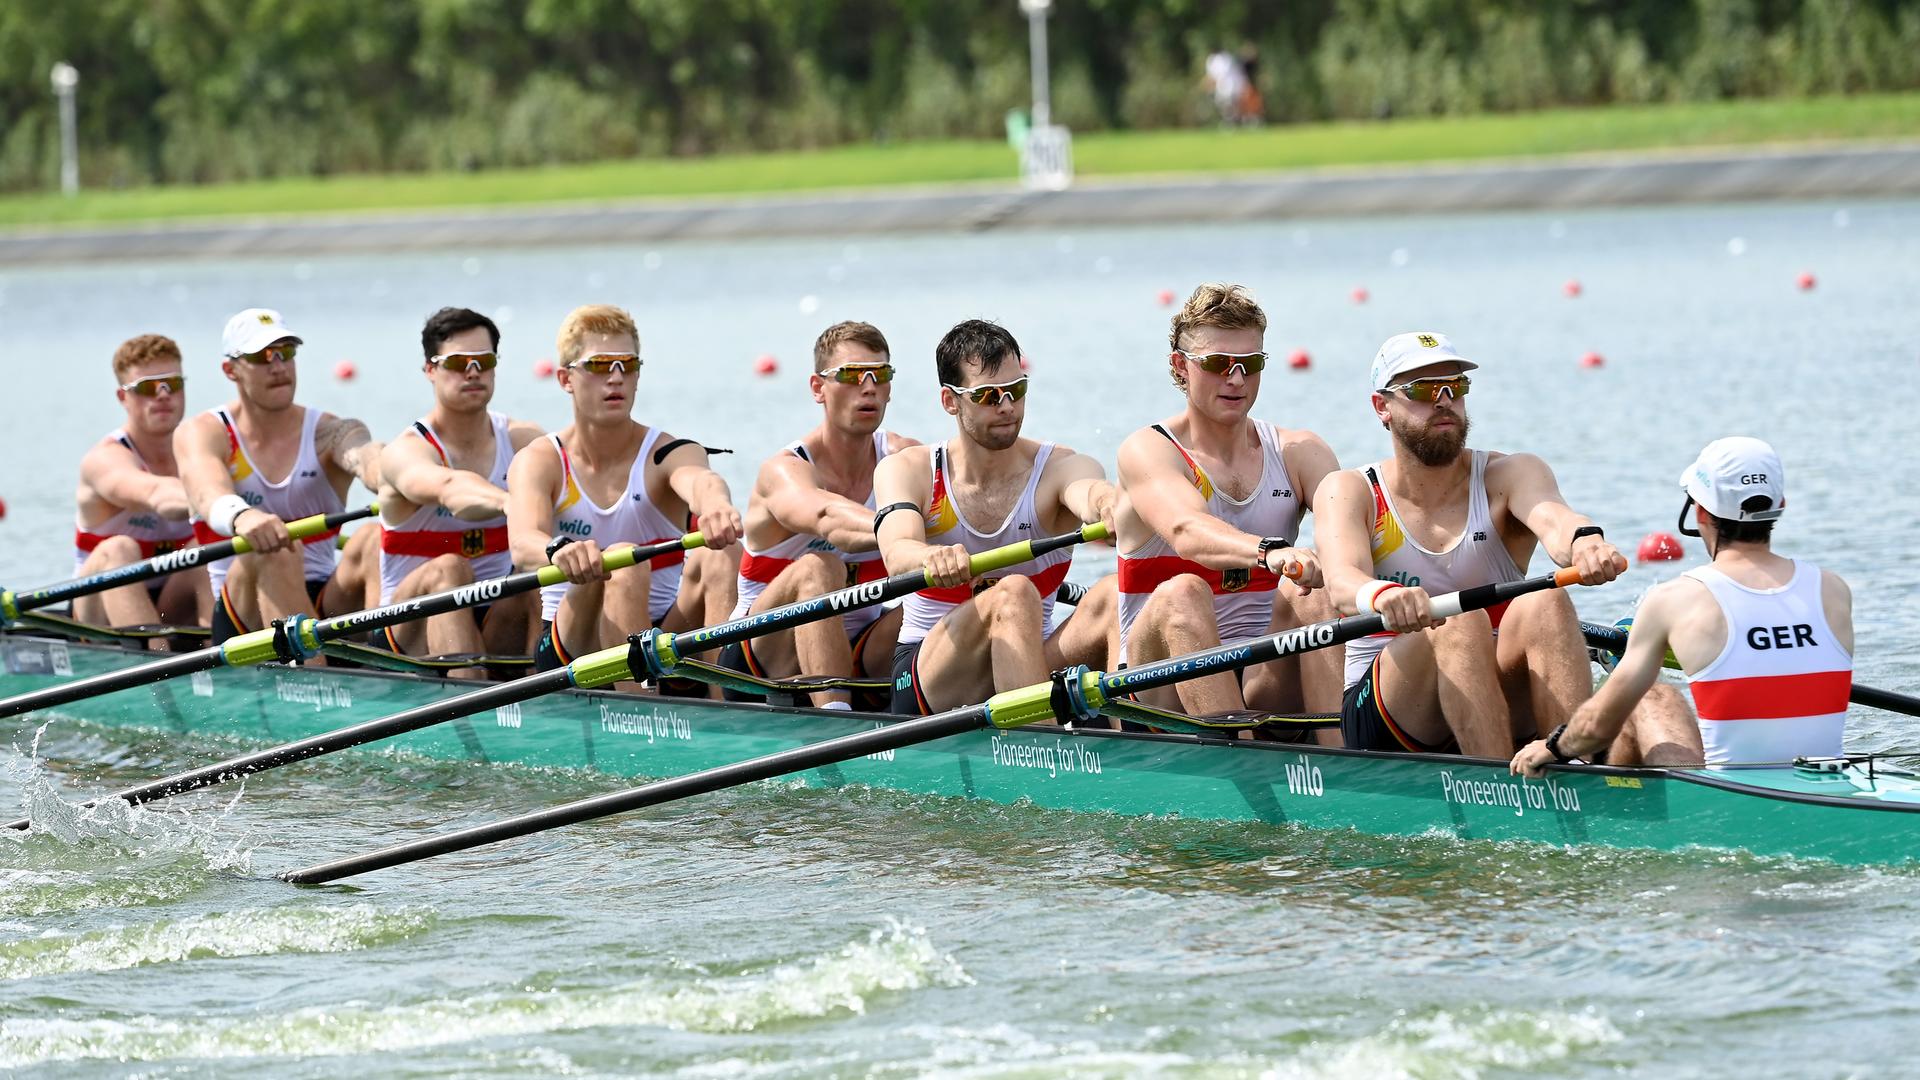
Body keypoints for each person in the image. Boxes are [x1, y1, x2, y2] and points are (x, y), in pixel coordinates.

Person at [1314, 331, 1637, 758]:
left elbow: (1556, 520)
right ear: (1382, 408)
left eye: (1456, 387)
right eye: (1424, 390)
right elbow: (1341, 581)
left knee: (1548, 601)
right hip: (1391, 704)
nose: (1444, 400)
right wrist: (1383, 594)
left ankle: (1577, 768)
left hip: (1493, 685)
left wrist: (1586, 542)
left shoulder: (1509, 474)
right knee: (1459, 621)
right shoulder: (1349, 489)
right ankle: (1499, 788)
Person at [1513, 438, 1848, 775]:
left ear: (1700, 511)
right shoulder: (1832, 590)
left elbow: (1597, 727)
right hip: (1829, 786)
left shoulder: (1675, 600)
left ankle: (1647, 809)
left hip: (1728, 807)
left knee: (1654, 698)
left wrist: (1553, 745)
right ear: (1781, 504)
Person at [1113, 284, 1342, 724]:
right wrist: (1270, 551)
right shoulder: (1149, 450)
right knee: (1183, 591)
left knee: (1317, 587)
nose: (1236, 379)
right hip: (1161, 684)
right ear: (1181, 367)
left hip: (1262, 672)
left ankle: (1343, 763)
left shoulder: (1300, 451)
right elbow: (1186, 530)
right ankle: (1244, 762)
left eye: (1250, 364)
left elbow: (1348, 528)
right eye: (1218, 364)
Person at [876, 319, 1117, 715]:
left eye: (1016, 390)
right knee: (1013, 591)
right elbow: (897, 552)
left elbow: (1089, 491)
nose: (1007, 407)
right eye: (988, 395)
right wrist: (929, 557)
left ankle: (1137, 746)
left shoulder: (1060, 466)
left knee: (1112, 590)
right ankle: (1045, 750)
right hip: (933, 670)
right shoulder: (909, 470)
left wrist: (1110, 504)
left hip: (1033, 659)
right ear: (950, 401)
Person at [507, 304, 743, 675]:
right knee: (623, 562)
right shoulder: (540, 460)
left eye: (627, 366)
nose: (615, 378)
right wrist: (558, 551)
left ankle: (728, 706)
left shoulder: (669, 452)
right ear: (565, 379)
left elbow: (701, 480)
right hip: (572, 639)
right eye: (600, 365)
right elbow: (522, 543)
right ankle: (638, 712)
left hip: (664, 630)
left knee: (725, 552)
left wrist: (716, 506)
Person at [714, 321, 919, 709]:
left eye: (882, 374)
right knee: (819, 568)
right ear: (817, 388)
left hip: (860, 649)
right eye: (852, 375)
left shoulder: (908, 460)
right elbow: (829, 519)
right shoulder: (783, 471)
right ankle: (835, 721)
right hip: (758, 660)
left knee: (955, 592)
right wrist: (907, 529)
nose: (869, 386)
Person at [176, 309, 383, 649]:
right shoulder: (203, 432)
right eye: (262, 357)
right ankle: (315, 683)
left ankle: (390, 672)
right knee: (276, 550)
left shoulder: (331, 431)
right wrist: (242, 516)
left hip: (323, 599)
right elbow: (206, 491)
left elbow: (366, 457)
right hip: (241, 612)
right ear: (230, 370)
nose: (278, 366)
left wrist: (392, 474)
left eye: (286, 353)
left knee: (372, 536)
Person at [374, 307, 544, 675]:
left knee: (537, 574)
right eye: (457, 363)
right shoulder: (406, 451)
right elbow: (452, 487)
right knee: (450, 569)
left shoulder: (524, 440)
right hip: (408, 629)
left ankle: (555, 704)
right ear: (430, 370)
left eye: (483, 360)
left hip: (495, 616)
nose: (472, 371)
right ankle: (472, 705)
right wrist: (511, 502)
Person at [71, 334, 207, 639]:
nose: (161, 396)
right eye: (147, 388)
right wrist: (230, 505)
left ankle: (230, 666)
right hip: (98, 614)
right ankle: (157, 675)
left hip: (170, 603)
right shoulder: (104, 460)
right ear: (123, 397)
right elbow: (158, 495)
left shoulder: (203, 450)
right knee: (119, 549)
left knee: (205, 548)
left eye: (171, 385)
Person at [1203, 46, 1248, 126]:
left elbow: (1223, 73)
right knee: (1223, 104)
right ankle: (1230, 120)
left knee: (1231, 103)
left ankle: (1237, 120)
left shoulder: (1225, 58)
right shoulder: (1211, 59)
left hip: (1230, 84)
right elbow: (1211, 76)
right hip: (1222, 86)